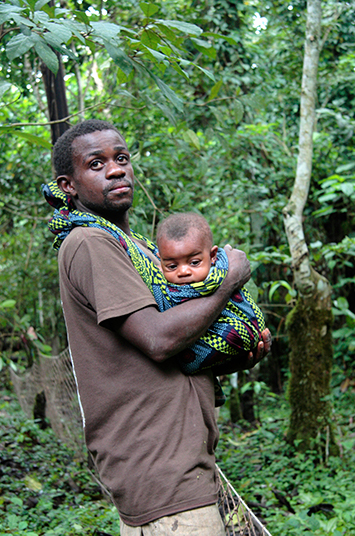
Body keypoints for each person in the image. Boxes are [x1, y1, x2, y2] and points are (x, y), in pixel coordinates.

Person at [42, 119, 271, 536]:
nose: (115, 170)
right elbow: (159, 339)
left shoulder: (146, 251)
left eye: (121, 158)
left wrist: (237, 351)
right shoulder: (90, 243)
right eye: (96, 164)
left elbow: (179, 353)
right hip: (158, 468)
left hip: (186, 461)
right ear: (69, 185)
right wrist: (228, 283)